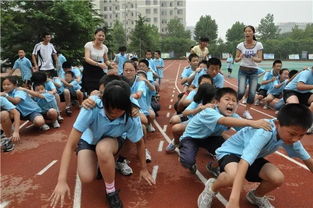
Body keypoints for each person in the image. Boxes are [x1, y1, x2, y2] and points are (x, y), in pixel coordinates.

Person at [49, 80, 155, 208]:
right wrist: (61, 180)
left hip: (112, 142)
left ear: (127, 106)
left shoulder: (131, 115)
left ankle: (111, 192)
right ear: (103, 102)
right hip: (90, 140)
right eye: (109, 110)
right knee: (87, 177)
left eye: (118, 111)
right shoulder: (91, 107)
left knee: (103, 149)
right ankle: (100, 162)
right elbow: (70, 145)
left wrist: (144, 169)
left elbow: (139, 143)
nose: (113, 114)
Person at [197, 104, 313, 208]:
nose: (296, 139)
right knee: (233, 176)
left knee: (277, 178)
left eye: (301, 135)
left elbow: (308, 160)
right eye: (292, 134)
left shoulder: (290, 137)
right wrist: (233, 200)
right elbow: (244, 162)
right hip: (230, 152)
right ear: (277, 124)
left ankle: (255, 196)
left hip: (251, 157)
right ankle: (212, 187)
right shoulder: (265, 132)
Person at [178, 87, 271, 174]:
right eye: (227, 99)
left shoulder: (233, 116)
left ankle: (212, 166)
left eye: (234, 101)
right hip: (191, 137)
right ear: (216, 102)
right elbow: (223, 120)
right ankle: (187, 159)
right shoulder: (209, 111)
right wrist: (252, 122)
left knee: (230, 150)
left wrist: (262, 131)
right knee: (187, 161)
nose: (231, 103)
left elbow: (245, 129)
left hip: (211, 138)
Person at [235, 25, 263, 120]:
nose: (247, 33)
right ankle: (235, 104)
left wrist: (254, 58)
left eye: (249, 31)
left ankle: (246, 111)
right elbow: (236, 59)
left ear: (253, 33)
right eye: (246, 31)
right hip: (243, 70)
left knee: (252, 93)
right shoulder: (240, 45)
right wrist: (241, 56)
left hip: (254, 71)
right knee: (241, 91)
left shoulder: (259, 45)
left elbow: (260, 59)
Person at [283, 67, 313, 133]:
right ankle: (288, 108)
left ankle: (308, 123)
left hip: (304, 93)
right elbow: (299, 86)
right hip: (291, 91)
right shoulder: (306, 73)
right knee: (295, 107)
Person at [82, 28, 111, 95]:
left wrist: (111, 64)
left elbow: (106, 60)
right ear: (95, 36)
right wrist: (98, 64)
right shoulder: (88, 45)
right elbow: (87, 58)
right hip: (89, 69)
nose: (101, 37)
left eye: (103, 36)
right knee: (90, 89)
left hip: (99, 70)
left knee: (101, 87)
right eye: (99, 35)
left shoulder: (105, 48)